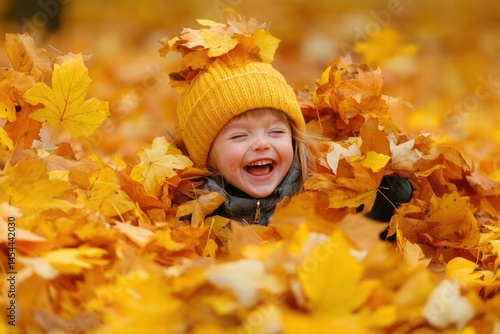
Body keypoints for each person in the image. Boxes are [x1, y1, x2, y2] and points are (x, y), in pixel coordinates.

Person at [167, 18, 413, 231]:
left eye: (275, 131)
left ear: (294, 138)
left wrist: (390, 193)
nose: (262, 144)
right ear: (206, 156)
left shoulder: (321, 194)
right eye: (239, 136)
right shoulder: (192, 216)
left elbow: (365, 229)